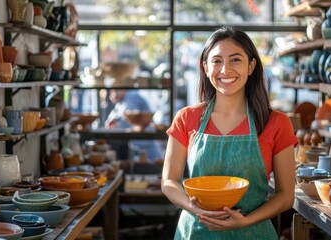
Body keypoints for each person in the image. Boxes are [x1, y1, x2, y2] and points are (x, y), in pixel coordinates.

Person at [161, 26, 298, 239]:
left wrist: (246, 221)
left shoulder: (277, 123)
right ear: (205, 67)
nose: (225, 70)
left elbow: (286, 195)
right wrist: (193, 207)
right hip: (196, 232)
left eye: (235, 60)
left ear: (251, 66)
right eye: (216, 61)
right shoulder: (186, 118)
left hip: (253, 233)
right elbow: (169, 181)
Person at [105, 89, 162, 162]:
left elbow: (127, 120)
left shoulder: (133, 96)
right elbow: (113, 117)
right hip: (138, 145)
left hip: (145, 145)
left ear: (123, 89)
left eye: (115, 91)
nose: (112, 94)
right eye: (111, 92)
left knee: (149, 169)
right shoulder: (122, 101)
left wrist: (115, 122)